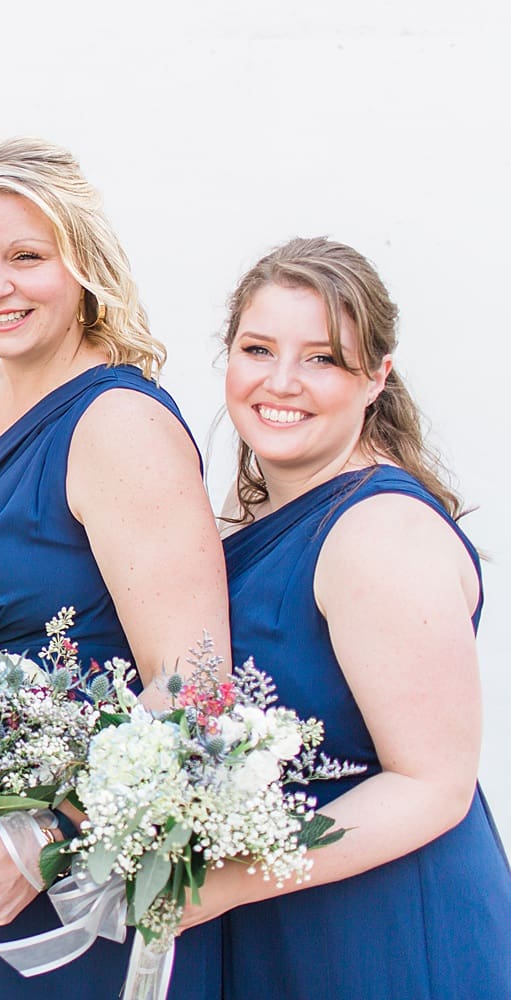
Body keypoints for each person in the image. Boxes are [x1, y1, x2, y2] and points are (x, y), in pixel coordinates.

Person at [0, 138, 227, 998]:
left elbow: (192, 686)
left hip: (80, 882)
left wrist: (45, 837)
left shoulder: (116, 424)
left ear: (84, 266)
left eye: (27, 256)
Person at [175, 237, 511, 997]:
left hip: (374, 930)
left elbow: (432, 784)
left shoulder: (379, 532)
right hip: (284, 908)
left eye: (321, 358)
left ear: (375, 378)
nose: (281, 381)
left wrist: (221, 883)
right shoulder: (267, 505)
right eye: (257, 348)